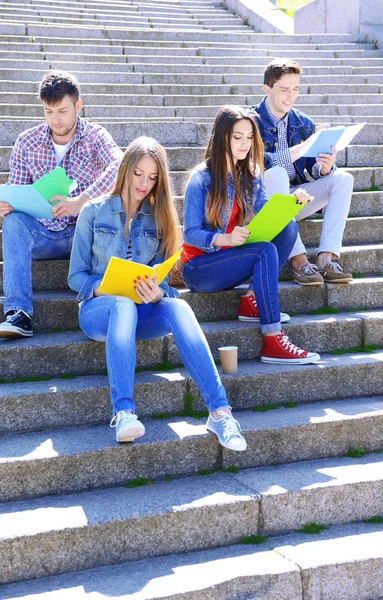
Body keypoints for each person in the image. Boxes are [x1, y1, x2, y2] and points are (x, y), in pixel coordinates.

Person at [68, 136, 247, 451]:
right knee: (121, 304)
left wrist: (156, 293)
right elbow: (75, 277)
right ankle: (123, 412)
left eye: (152, 178)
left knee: (179, 309)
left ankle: (220, 412)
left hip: (141, 311)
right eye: (138, 173)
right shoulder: (94, 212)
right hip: (99, 312)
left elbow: (162, 278)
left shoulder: (158, 218)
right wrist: (101, 286)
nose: (143, 183)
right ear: (125, 170)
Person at [181, 105, 320, 365]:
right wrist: (224, 238)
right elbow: (190, 234)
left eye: (249, 137)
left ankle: (251, 301)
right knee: (263, 250)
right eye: (237, 137)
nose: (245, 144)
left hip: (229, 261)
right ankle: (273, 339)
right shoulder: (201, 179)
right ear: (223, 138)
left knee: (288, 227)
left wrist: (293, 201)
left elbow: (267, 213)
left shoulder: (250, 174)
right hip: (199, 269)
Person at [0, 71, 123, 339]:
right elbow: (15, 190)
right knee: (13, 221)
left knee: (111, 214)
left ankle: (104, 301)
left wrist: (81, 201)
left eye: (62, 110)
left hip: (85, 236)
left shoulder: (96, 135)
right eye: (49, 111)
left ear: (78, 106)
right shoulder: (27, 142)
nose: (56, 119)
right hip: (45, 234)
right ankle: (19, 313)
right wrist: (8, 205)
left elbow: (120, 166)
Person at [251, 59, 353, 286]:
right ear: (267, 89)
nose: (291, 96)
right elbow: (256, 165)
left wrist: (323, 168)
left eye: (295, 89)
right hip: (263, 203)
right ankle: (298, 260)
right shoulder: (250, 121)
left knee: (342, 178)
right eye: (284, 89)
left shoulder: (303, 121)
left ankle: (326, 259)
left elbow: (309, 167)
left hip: (297, 198)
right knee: (276, 173)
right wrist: (296, 151)